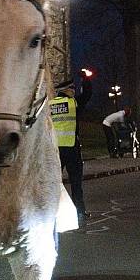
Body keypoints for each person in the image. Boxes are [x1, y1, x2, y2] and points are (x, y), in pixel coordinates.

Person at [50, 75, 92, 221]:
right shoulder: (73, 103)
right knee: (76, 182)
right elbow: (87, 95)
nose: (74, 91)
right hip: (71, 148)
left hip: (55, 150)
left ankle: (51, 212)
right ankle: (79, 211)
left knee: (54, 183)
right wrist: (86, 79)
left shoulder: (50, 104)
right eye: (72, 88)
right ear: (65, 90)